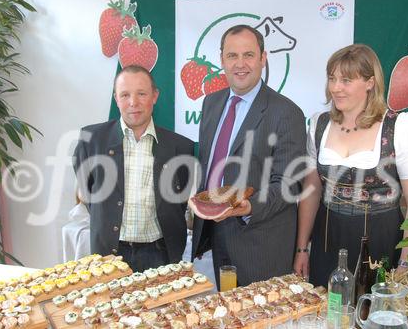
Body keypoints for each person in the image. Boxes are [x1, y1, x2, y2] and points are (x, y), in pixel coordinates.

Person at [293, 44, 408, 287]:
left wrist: (407, 262)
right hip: (328, 237)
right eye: (332, 78)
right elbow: (311, 191)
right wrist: (302, 248)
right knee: (326, 310)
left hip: (381, 238)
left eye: (346, 80)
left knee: (372, 314)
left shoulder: (401, 127)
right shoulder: (319, 125)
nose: (335, 87)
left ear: (370, 82)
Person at [191, 25, 306, 287]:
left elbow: (288, 186)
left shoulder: (286, 113)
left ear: (263, 58)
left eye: (249, 55)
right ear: (221, 60)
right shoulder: (211, 103)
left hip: (260, 246)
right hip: (215, 238)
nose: (240, 64)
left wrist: (249, 207)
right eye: (232, 56)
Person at [73, 65, 194, 272]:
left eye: (141, 93)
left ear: (154, 96)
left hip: (161, 256)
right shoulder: (91, 140)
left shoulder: (181, 147)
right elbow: (87, 192)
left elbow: (180, 202)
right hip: (109, 255)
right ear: (116, 98)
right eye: (125, 94)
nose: (133, 103)